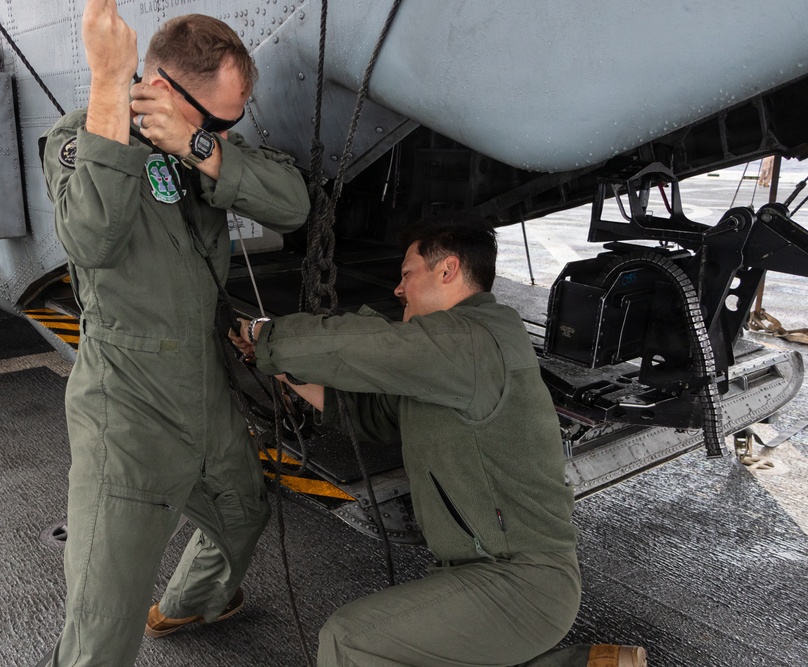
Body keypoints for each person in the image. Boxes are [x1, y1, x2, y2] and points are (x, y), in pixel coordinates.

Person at [232, 214, 647, 667]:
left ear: (447, 270)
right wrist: (281, 368)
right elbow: (368, 415)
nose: (398, 289)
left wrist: (268, 334)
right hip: (489, 574)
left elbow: (367, 346)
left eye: (407, 274)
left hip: (520, 582)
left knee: (352, 640)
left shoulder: (473, 340)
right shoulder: (452, 359)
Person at [38, 1, 310, 665]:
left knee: (244, 512)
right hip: (128, 407)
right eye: (217, 117)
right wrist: (108, 85)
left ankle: (193, 602)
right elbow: (91, 236)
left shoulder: (198, 141)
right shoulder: (80, 139)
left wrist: (201, 143)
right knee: (102, 623)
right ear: (160, 89)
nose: (225, 130)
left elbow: (293, 202)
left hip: (205, 388)